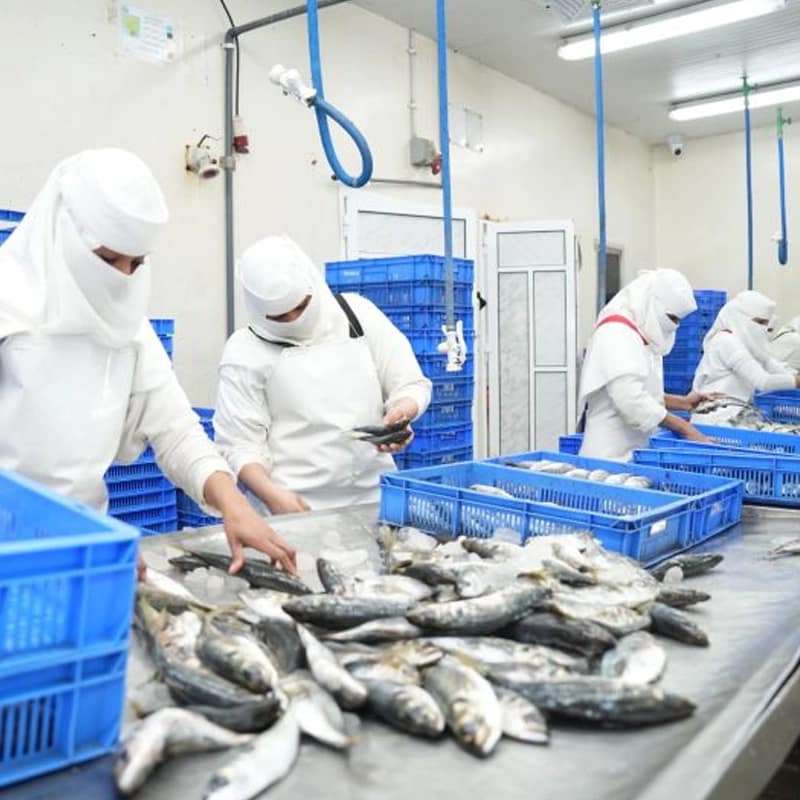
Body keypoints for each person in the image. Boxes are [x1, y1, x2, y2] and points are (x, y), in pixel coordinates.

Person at [0, 149, 296, 576]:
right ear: (63, 233)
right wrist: (70, 533)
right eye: (106, 259)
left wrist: (232, 502)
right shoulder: (10, 305)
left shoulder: (128, 328)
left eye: (135, 263)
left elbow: (176, 430)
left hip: (83, 552)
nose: (121, 278)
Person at [214, 235, 432, 513]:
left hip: (374, 498)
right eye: (280, 317)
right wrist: (272, 496)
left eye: (302, 306)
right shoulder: (244, 351)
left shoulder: (357, 315)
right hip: (291, 509)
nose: (295, 320)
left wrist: (402, 412)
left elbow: (412, 383)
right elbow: (239, 446)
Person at [578, 269, 712, 461]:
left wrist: (682, 402)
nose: (675, 325)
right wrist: (685, 428)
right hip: (608, 458)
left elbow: (642, 391)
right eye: (672, 318)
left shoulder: (640, 333)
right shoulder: (615, 332)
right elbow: (631, 401)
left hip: (635, 453)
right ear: (652, 303)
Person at [692, 291, 800, 424]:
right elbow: (763, 381)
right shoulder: (725, 341)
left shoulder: (747, 343)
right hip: (713, 420)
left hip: (734, 417)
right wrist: (796, 381)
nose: (763, 328)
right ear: (739, 317)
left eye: (765, 323)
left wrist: (793, 376)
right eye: (759, 322)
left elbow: (768, 363)